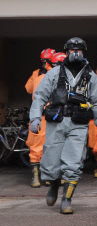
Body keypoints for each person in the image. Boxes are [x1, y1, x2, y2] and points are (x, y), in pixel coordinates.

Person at [30, 37, 97, 214]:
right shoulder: (54, 73)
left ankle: (67, 199)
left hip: (78, 124)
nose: (76, 53)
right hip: (56, 122)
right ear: (66, 52)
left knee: (74, 163)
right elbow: (40, 95)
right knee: (50, 162)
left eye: (79, 50)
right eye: (72, 50)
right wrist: (35, 117)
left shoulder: (90, 76)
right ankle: (54, 185)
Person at [25, 49, 56, 188]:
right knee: (43, 146)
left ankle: (40, 176)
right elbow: (29, 89)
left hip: (43, 115)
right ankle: (41, 176)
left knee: (42, 146)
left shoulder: (40, 73)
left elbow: (28, 89)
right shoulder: (47, 74)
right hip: (44, 115)